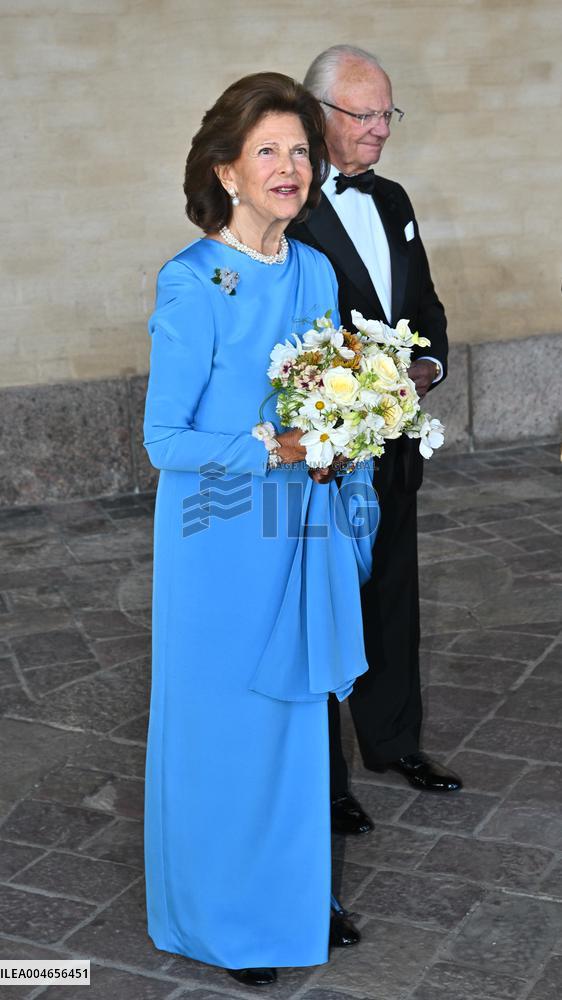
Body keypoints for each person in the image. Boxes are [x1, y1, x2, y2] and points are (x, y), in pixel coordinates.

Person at [142, 72, 379, 988]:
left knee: (292, 725)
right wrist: (276, 447)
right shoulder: (193, 281)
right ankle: (221, 919)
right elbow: (166, 440)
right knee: (228, 729)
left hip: (300, 529)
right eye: (268, 152)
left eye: (299, 150)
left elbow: (328, 398)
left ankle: (292, 895)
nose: (291, 167)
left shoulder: (314, 269)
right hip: (218, 541)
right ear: (226, 172)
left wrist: (345, 441)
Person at [289, 45, 462, 837]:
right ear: (318, 113)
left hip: (391, 443)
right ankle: (324, 782)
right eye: (364, 114)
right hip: (324, 460)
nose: (380, 130)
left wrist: (425, 363)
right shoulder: (287, 206)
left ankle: (394, 742)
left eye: (387, 113)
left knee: (392, 595)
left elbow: (422, 301)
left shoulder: (393, 198)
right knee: (320, 608)